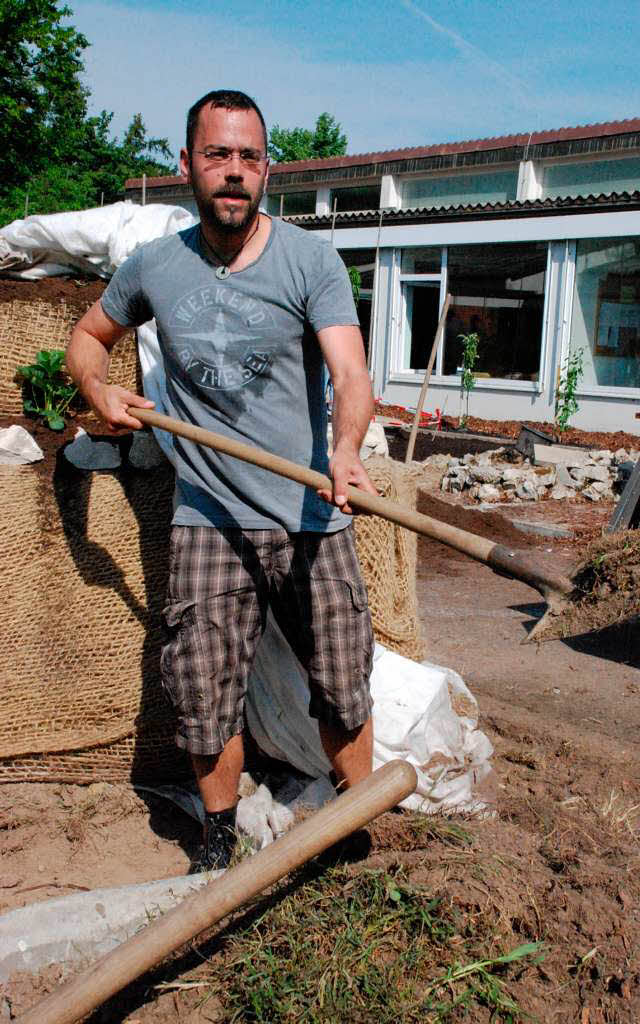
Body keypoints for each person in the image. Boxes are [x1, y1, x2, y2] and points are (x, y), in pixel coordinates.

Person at [66, 90, 377, 870]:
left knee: (342, 681)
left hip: (311, 512)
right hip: (208, 514)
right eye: (216, 156)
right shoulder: (155, 267)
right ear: (186, 167)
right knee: (202, 686)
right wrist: (101, 392)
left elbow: (351, 371)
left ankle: (359, 823)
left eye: (248, 157)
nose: (233, 174)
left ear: (266, 168)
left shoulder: (309, 260)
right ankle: (216, 837)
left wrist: (344, 447)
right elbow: (87, 337)